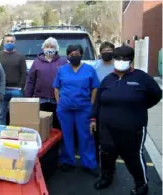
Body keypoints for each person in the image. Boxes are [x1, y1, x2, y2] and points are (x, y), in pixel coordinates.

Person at [90, 45, 162, 195]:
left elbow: (156, 95)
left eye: (124, 59)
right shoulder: (108, 80)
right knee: (107, 154)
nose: (120, 61)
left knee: (133, 157)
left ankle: (141, 185)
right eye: (118, 58)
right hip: (107, 128)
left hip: (132, 129)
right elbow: (98, 101)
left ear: (131, 61)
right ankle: (106, 177)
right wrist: (93, 118)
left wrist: (141, 105)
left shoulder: (141, 78)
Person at [53, 44, 99, 176]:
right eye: (71, 54)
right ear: (67, 56)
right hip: (65, 109)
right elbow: (56, 87)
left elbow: (95, 87)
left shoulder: (89, 70)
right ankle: (68, 161)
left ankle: (89, 163)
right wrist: (59, 103)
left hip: (84, 108)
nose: (74, 56)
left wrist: (91, 103)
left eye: (77, 54)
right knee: (67, 135)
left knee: (86, 135)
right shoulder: (62, 70)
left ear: (81, 55)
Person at [25, 37, 67, 130]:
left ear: (56, 49)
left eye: (52, 47)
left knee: (57, 126)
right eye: (47, 46)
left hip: (58, 100)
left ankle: (57, 144)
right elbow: (30, 81)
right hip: (41, 99)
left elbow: (67, 81)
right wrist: (28, 97)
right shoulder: (36, 62)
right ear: (43, 48)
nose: (49, 49)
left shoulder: (63, 62)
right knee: (42, 126)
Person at [0, 34, 27, 125]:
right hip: (2, 90)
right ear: (4, 43)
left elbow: (24, 73)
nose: (9, 43)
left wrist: (21, 87)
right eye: (7, 41)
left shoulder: (20, 57)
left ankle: (17, 133)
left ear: (15, 43)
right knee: (1, 115)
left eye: (12, 41)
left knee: (18, 114)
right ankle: (2, 133)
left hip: (16, 90)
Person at [92, 41, 115, 164]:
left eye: (110, 52)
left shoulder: (118, 66)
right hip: (99, 103)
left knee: (112, 134)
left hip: (115, 104)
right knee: (97, 133)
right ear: (100, 53)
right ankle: (96, 159)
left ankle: (110, 161)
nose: (107, 54)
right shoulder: (95, 66)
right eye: (104, 52)